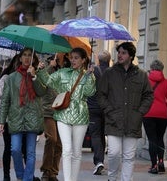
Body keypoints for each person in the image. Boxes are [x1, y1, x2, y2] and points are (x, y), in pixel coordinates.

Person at [36, 47, 96, 181]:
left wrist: (90, 76)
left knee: (76, 152)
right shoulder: (63, 72)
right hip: (63, 114)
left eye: (76, 58)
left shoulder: (87, 75)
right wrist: (41, 70)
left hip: (81, 115)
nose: (73, 60)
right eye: (71, 57)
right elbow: (49, 81)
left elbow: (90, 92)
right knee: (67, 150)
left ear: (83, 60)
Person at [97, 42, 154, 181]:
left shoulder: (141, 75)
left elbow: (149, 95)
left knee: (129, 156)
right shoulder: (109, 73)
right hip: (113, 120)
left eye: (124, 53)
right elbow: (101, 95)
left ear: (131, 55)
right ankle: (112, 177)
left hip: (132, 121)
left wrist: (140, 112)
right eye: (119, 52)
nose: (120, 55)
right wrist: (109, 110)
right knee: (114, 153)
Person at [0, 48, 46, 181]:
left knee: (30, 153)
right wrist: (1, 120)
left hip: (33, 118)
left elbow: (42, 92)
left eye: (29, 55)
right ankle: (20, 176)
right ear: (20, 58)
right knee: (15, 149)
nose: (26, 58)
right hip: (16, 118)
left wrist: (34, 76)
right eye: (24, 55)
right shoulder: (11, 78)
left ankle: (27, 179)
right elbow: (5, 101)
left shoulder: (39, 74)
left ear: (33, 59)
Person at [40, 55, 70, 181]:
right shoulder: (48, 68)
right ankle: (46, 170)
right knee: (51, 139)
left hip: (62, 111)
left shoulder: (67, 70)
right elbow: (41, 83)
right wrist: (48, 68)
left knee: (59, 143)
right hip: (48, 110)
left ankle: (53, 172)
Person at [143, 59, 167, 174]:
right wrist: (164, 106)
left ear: (151, 68)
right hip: (162, 114)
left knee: (152, 139)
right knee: (160, 138)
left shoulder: (146, 81)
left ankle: (154, 166)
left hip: (148, 113)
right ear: (162, 69)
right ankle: (161, 162)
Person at [86, 50, 111, 175]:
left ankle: (99, 161)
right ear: (109, 60)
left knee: (96, 135)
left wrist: (88, 73)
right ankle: (111, 161)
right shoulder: (113, 72)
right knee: (108, 134)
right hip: (108, 108)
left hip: (93, 108)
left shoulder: (93, 71)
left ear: (99, 60)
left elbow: (84, 87)